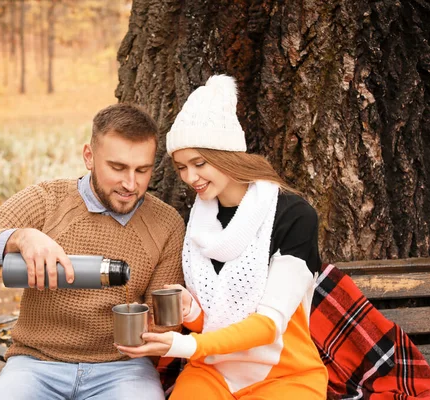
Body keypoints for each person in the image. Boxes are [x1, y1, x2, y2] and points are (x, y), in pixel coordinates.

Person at [0, 103, 185, 400]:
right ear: (89, 157)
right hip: (35, 365)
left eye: (142, 170)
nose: (130, 184)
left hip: (124, 371)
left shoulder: (166, 224)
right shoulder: (46, 201)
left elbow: (163, 324)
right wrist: (21, 237)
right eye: (117, 168)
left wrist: (158, 327)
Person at [117, 75, 329, 399]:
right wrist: (190, 311)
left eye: (199, 163)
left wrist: (186, 344)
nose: (190, 178)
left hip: (284, 373)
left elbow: (269, 325)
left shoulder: (292, 216)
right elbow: (216, 321)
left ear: (228, 154)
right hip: (213, 369)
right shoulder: (199, 225)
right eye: (181, 168)